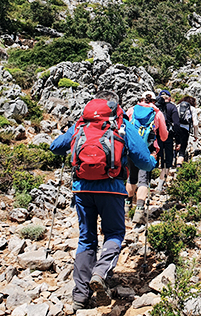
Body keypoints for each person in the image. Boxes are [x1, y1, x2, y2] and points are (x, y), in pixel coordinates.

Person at [49, 91, 157, 312]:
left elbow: (55, 147)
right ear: (116, 106)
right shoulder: (122, 125)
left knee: (87, 239)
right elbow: (145, 162)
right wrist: (153, 161)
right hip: (113, 190)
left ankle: (79, 296)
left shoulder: (81, 126)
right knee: (115, 234)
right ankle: (100, 273)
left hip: (82, 189)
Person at [125, 91, 168, 219]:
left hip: (131, 148)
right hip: (148, 149)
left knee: (131, 178)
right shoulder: (157, 113)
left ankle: (127, 207)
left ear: (141, 99)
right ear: (153, 101)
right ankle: (139, 211)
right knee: (143, 180)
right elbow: (164, 136)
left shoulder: (131, 110)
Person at [154, 89, 180, 192]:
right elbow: (176, 124)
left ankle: (148, 181)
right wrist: (178, 140)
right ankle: (160, 185)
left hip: (154, 136)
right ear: (169, 98)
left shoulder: (154, 107)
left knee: (154, 157)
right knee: (167, 161)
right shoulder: (172, 107)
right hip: (167, 137)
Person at [175, 95, 200, 168]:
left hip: (175, 129)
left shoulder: (177, 106)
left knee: (175, 145)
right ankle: (178, 166)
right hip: (185, 130)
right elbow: (195, 123)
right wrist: (196, 135)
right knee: (182, 149)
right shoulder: (192, 108)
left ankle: (169, 165)